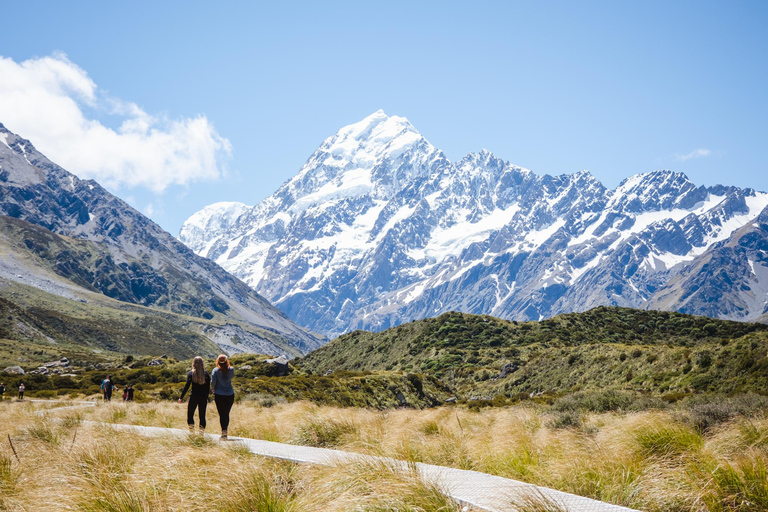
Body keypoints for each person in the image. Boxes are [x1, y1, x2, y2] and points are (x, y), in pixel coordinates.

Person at [178, 356, 210, 435]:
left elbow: (187, 386)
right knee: (202, 416)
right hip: (203, 398)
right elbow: (208, 388)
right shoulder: (206, 374)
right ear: (202, 363)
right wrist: (206, 397)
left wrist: (181, 397)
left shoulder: (191, 373)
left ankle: (192, 432)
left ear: (194, 363)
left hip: (194, 397)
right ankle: (201, 433)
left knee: (190, 415)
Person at [210, 354, 235, 440]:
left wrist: (213, 389)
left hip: (219, 394)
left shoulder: (215, 370)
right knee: (226, 413)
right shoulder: (231, 370)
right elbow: (232, 377)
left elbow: (213, 382)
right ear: (227, 361)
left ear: (217, 361)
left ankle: (223, 432)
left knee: (221, 414)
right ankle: (225, 431)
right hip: (230, 394)